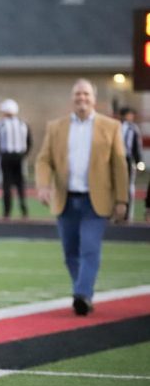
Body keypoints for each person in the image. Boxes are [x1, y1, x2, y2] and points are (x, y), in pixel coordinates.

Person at [35, 79, 128, 316]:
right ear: (72, 98)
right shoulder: (56, 127)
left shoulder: (110, 127)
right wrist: (44, 185)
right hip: (66, 199)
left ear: (94, 99)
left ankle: (82, 294)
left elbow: (119, 166)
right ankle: (82, 291)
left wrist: (121, 200)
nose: (82, 98)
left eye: (86, 94)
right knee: (70, 252)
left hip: (95, 201)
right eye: (78, 94)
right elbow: (44, 160)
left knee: (90, 248)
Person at [0, 99, 32, 219]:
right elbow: (29, 142)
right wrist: (24, 154)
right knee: (20, 184)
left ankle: (7, 212)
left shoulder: (0, 124)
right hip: (20, 156)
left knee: (6, 184)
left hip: (6, 156)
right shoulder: (23, 124)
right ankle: (24, 210)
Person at [119, 107, 144, 221]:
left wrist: (139, 162)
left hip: (128, 159)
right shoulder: (116, 126)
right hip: (116, 159)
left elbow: (136, 148)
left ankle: (127, 215)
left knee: (128, 187)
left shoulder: (133, 129)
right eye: (129, 114)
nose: (131, 117)